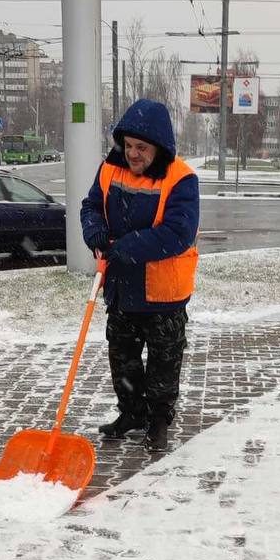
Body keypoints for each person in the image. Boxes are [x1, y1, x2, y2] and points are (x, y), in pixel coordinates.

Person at [80, 99, 200, 452]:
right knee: (123, 360)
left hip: (163, 293)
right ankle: (131, 413)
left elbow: (178, 232)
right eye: (129, 145)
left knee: (164, 362)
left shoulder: (181, 178)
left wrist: (127, 246)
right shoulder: (109, 168)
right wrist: (94, 231)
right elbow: (91, 206)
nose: (133, 154)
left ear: (158, 147)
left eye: (141, 148)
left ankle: (159, 421)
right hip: (122, 288)